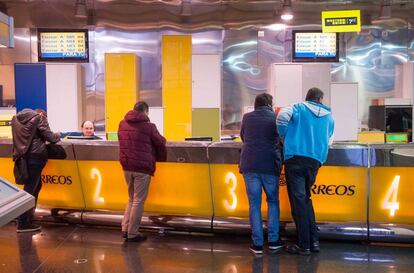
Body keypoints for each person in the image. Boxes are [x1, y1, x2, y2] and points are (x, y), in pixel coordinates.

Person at [276, 87, 334, 255]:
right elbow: (329, 138)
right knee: (306, 200)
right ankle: (313, 241)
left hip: (295, 158)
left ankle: (303, 245)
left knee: (298, 202)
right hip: (315, 161)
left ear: (307, 97)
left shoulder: (297, 107)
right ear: (320, 99)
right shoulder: (329, 117)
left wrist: (285, 138)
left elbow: (280, 119)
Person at [239, 93, 284, 255]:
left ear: (256, 104)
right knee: (272, 201)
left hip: (249, 164)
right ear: (270, 104)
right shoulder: (276, 117)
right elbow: (281, 138)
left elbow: (243, 137)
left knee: (254, 204)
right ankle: (273, 241)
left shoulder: (247, 117)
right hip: (270, 164)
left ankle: (257, 244)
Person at [118, 101, 167, 242]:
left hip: (126, 166)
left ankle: (125, 228)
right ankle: (133, 233)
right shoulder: (149, 126)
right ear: (145, 111)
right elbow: (160, 141)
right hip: (142, 167)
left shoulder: (122, 123)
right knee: (138, 200)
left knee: (131, 198)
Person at [11, 108, 60, 232]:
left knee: (35, 186)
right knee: (30, 190)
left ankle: (28, 218)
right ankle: (23, 222)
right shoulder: (39, 118)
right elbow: (51, 137)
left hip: (23, 157)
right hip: (36, 157)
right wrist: (59, 134)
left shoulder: (16, 119)